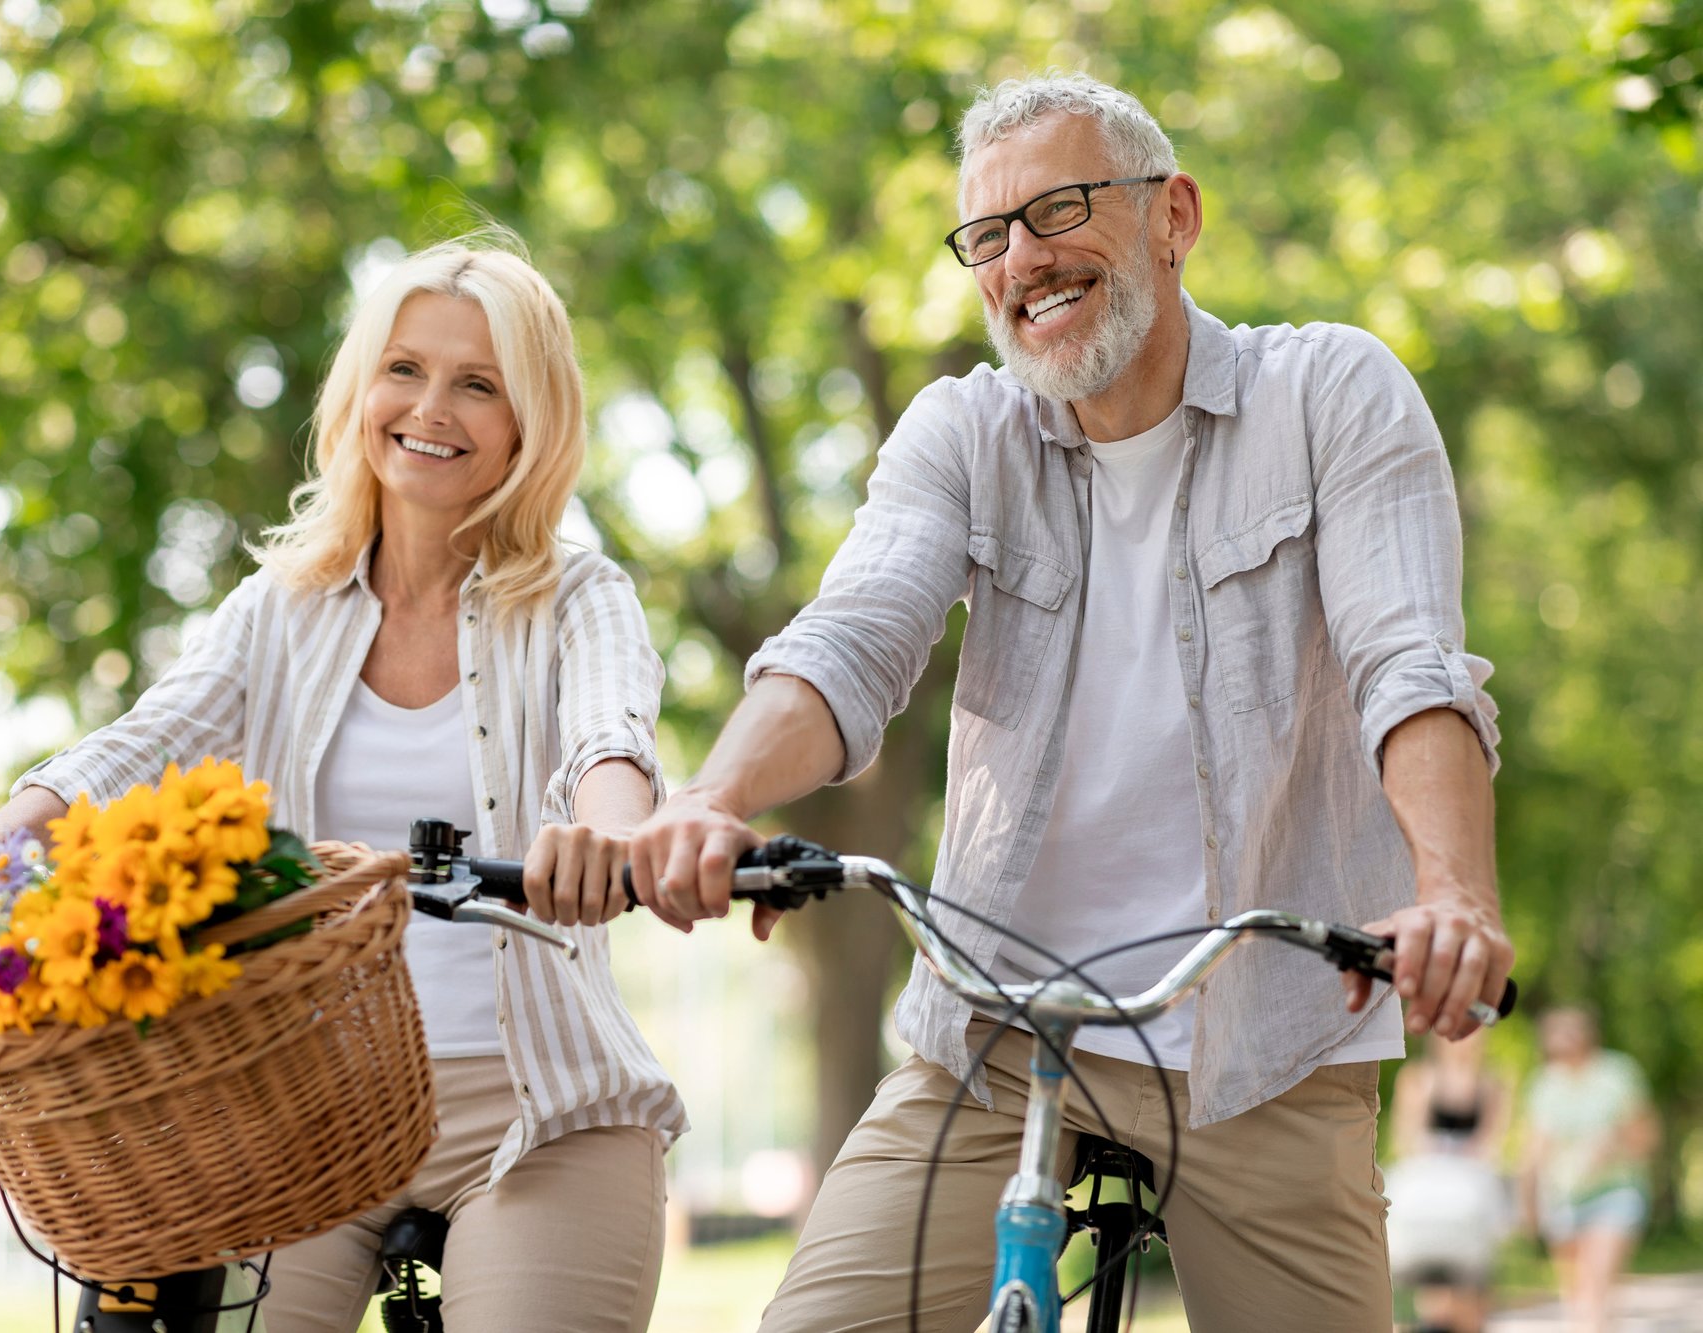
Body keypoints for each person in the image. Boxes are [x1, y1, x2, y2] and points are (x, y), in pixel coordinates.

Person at [630, 70, 1513, 1332]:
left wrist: (1451, 896)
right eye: (985, 237)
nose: (1020, 261)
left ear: (1172, 215)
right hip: (994, 1034)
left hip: (1264, 1047)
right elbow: (855, 634)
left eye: (1056, 210)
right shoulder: (961, 434)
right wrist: (710, 798)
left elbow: (1408, 664)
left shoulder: (1330, 394)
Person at [0, 236, 684, 1333]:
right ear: (361, 388)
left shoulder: (577, 596)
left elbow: (608, 739)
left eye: (477, 384)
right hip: (307, 1105)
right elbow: (139, 747)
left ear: (528, 424)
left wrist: (611, 841)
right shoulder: (283, 605)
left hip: (540, 1110)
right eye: (404, 368)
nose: (430, 406)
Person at [1521, 1006, 1658, 1333]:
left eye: (1571, 1030)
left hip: (1616, 1192)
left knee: (1597, 1282)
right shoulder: (1545, 1084)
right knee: (1576, 1294)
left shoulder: (1617, 1073)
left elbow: (1648, 1135)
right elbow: (1533, 1151)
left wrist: (1616, 1142)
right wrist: (1528, 1203)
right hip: (1564, 1198)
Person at [1385, 1034, 1512, 1333]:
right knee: (1432, 1286)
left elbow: (1492, 1140)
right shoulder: (1418, 1079)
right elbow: (1407, 1135)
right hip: (1429, 1195)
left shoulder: (1490, 1083)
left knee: (1469, 1285)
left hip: (1471, 1195)